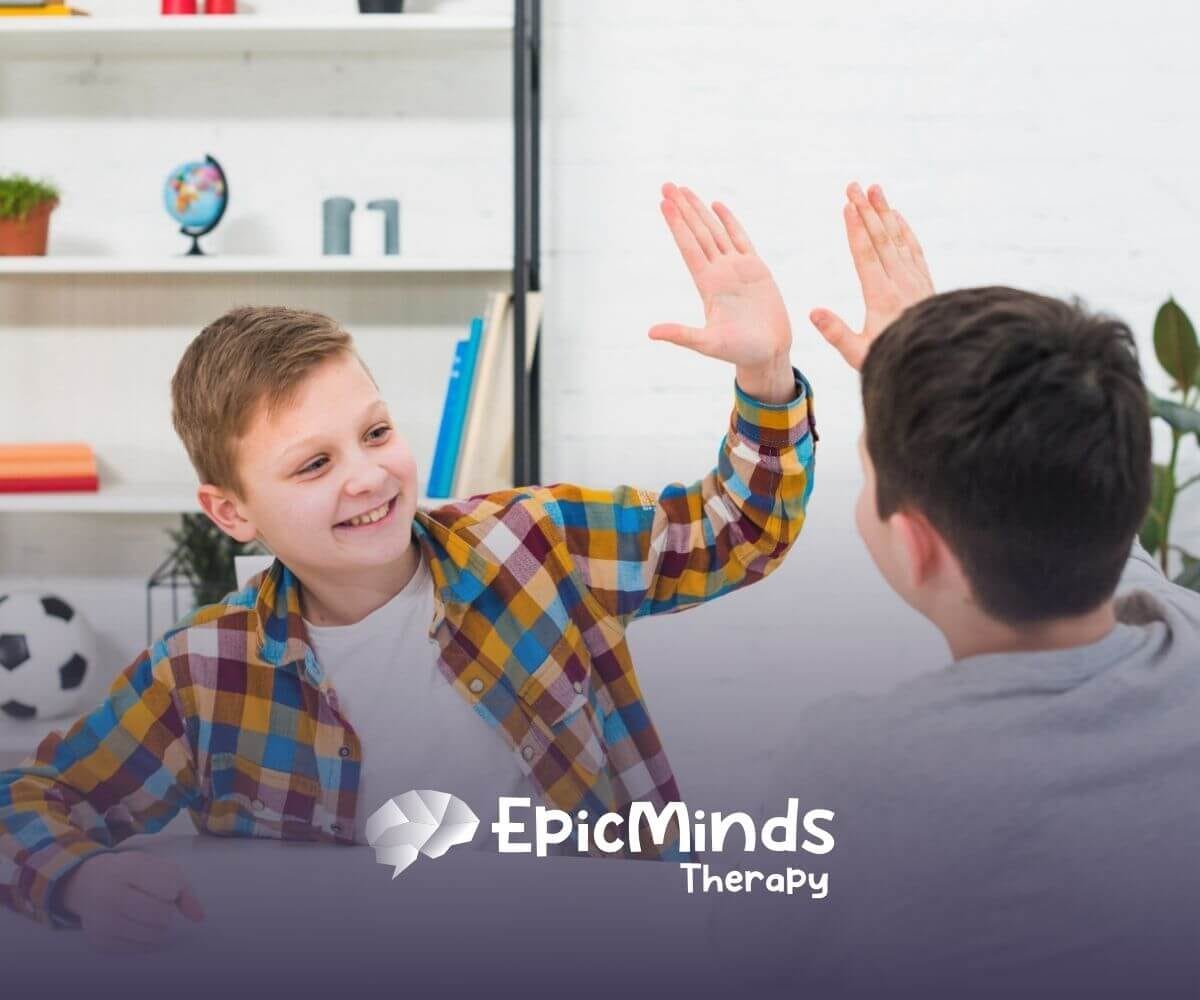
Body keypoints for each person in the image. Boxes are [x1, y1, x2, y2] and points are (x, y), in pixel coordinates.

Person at [0, 183, 817, 953]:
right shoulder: (203, 673)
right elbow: (29, 803)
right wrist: (82, 881)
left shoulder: (534, 543)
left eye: (377, 432)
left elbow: (738, 530)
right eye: (313, 465)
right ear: (232, 514)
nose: (367, 475)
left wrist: (765, 376)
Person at [710, 183, 1200, 997]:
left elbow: (740, 954)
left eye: (869, 470)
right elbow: (1093, 520)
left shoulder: (853, 770)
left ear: (915, 544)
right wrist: (924, 365)